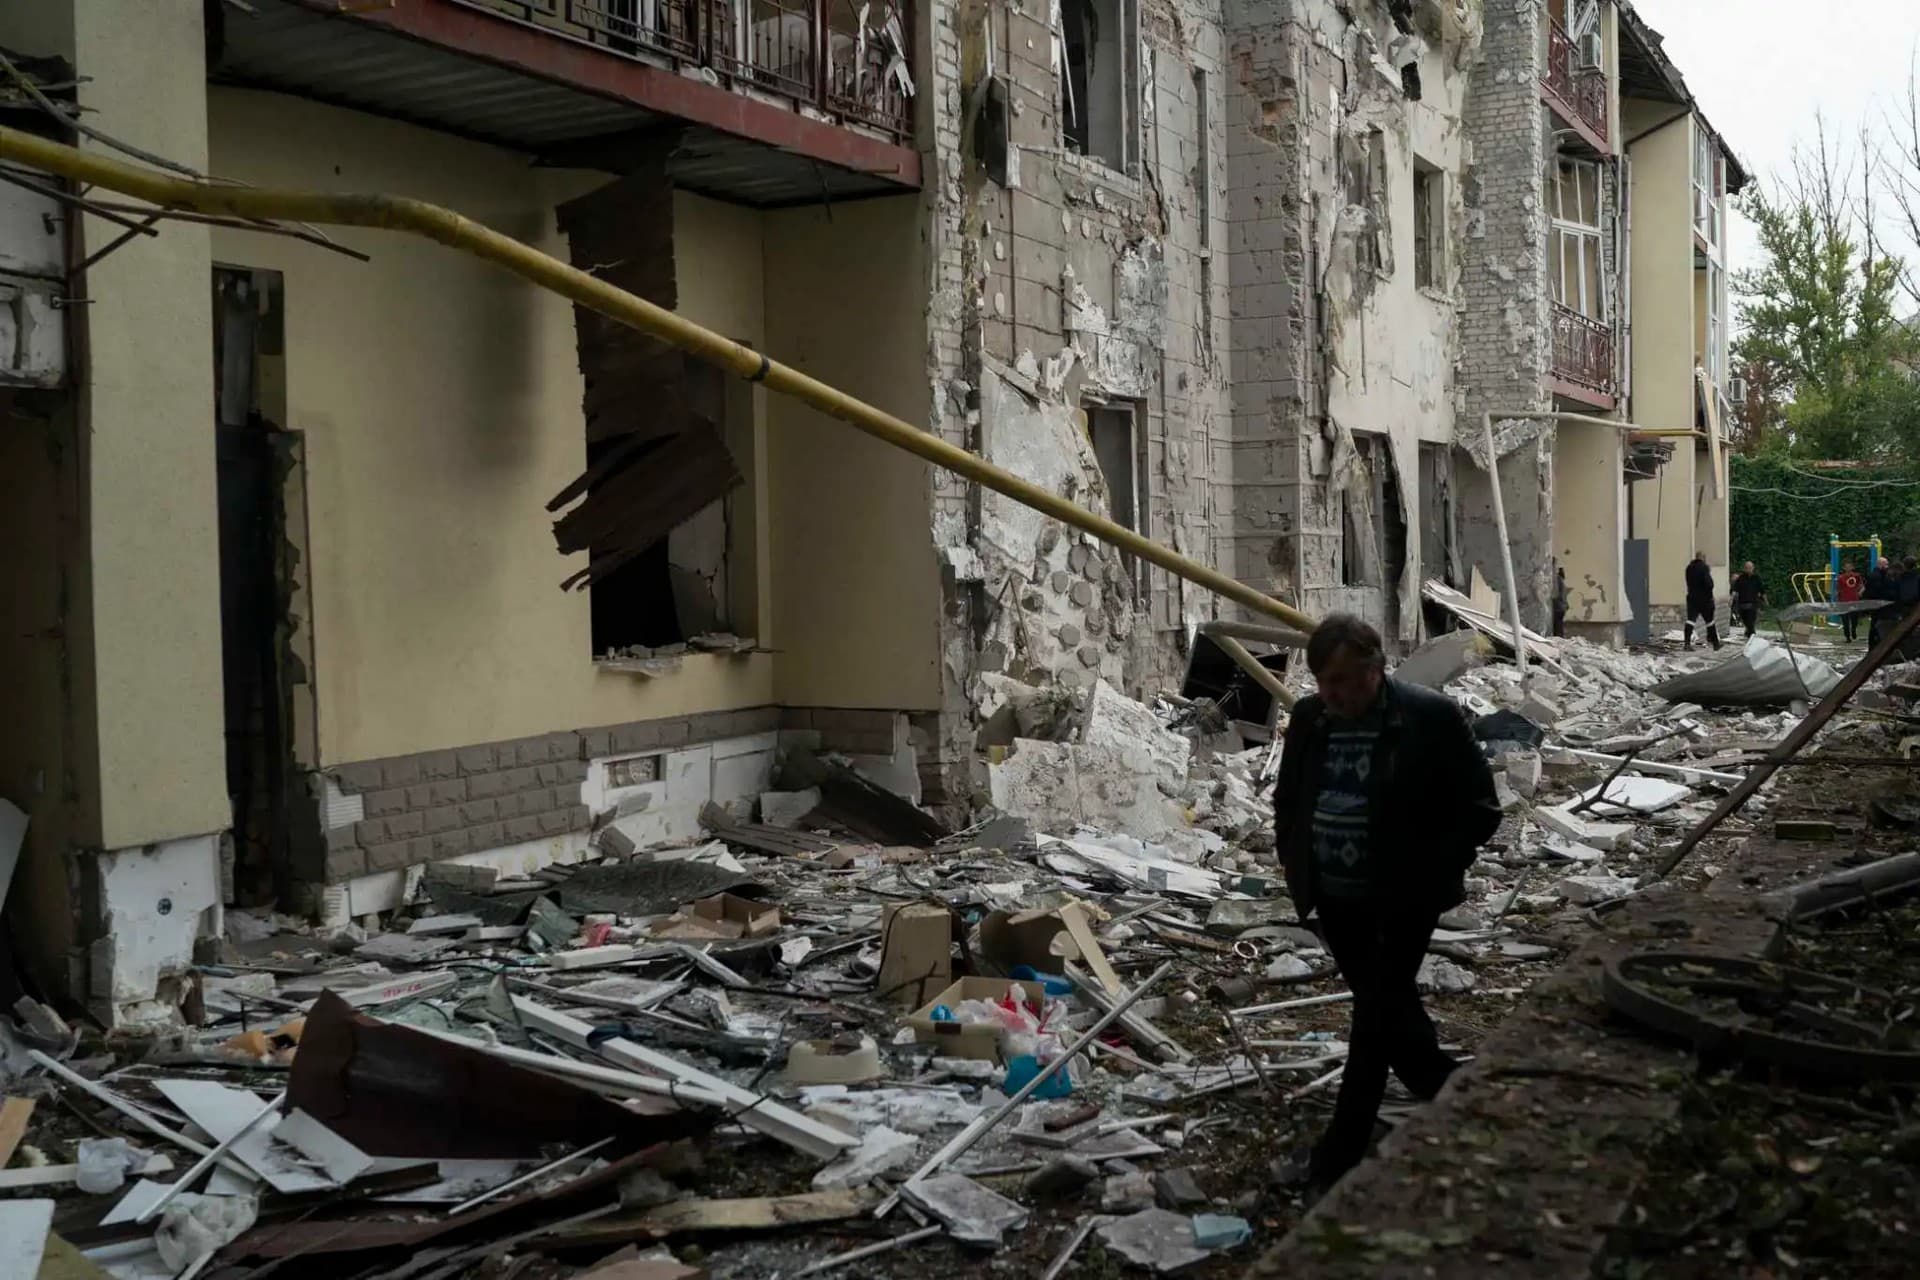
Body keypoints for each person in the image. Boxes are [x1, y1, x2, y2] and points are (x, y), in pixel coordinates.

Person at [1270, 616, 1500, 1197]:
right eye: (1325, 681)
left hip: (1403, 896)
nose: (1334, 694)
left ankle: (1339, 1154)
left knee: (1372, 1019)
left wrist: (1432, 867)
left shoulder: (1429, 717)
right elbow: (1290, 799)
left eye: (1346, 680)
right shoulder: (1308, 719)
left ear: (1377, 669)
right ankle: (1440, 1081)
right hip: (1334, 895)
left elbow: (1481, 806)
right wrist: (1294, 857)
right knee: (1386, 1004)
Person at [1683, 552, 1721, 650]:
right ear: (1703, 558)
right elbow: (1709, 584)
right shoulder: (1704, 567)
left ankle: (1687, 644)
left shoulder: (1689, 568)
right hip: (1704, 599)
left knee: (1690, 620)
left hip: (1692, 598)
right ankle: (1716, 644)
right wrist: (1710, 596)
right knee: (1710, 621)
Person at [1730, 561, 1768, 639]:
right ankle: (1749, 633)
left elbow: (1762, 590)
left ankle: (1751, 635)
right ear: (1744, 568)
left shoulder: (1756, 578)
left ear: (1753, 568)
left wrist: (1766, 601)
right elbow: (1735, 590)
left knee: (1751, 621)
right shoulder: (1741, 578)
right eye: (1747, 568)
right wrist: (1731, 599)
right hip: (1742, 604)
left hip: (1753, 603)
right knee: (1746, 621)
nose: (1748, 570)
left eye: (1750, 568)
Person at [1836, 559, 1865, 643]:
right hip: (1844, 601)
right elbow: (1838, 590)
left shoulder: (1857, 576)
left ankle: (1853, 630)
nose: (1848, 568)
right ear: (1844, 568)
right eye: (1846, 567)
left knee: (1854, 619)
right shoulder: (1840, 578)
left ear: (1853, 567)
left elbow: (1862, 586)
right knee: (1845, 620)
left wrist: (1860, 592)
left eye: (1850, 566)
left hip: (1854, 601)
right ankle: (1847, 637)